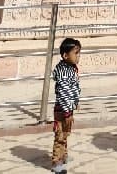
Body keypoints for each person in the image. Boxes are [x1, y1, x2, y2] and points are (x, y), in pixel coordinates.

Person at [50, 37, 81, 174]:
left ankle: (64, 155)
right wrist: (67, 112)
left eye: (79, 53)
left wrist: (75, 102)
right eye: (76, 53)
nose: (78, 56)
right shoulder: (64, 73)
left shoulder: (69, 68)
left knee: (65, 134)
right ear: (65, 55)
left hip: (67, 108)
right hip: (63, 111)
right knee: (60, 136)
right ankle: (57, 163)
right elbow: (63, 94)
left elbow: (72, 89)